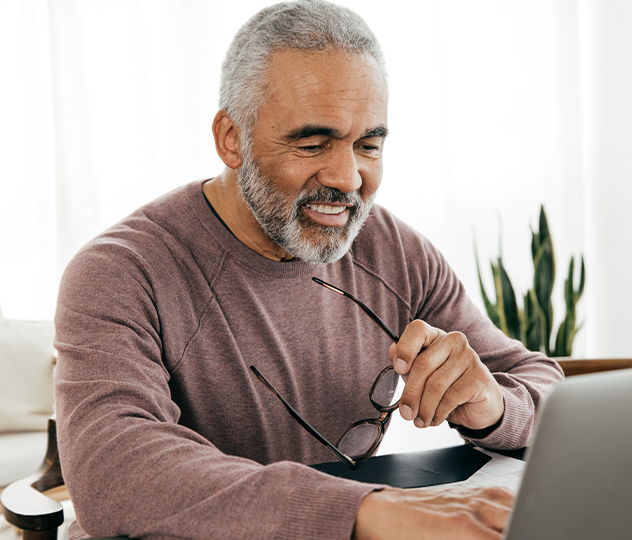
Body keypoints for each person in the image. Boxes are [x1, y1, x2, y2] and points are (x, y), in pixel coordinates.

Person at [52, 1, 564, 539]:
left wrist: (492, 404)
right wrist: (366, 512)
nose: (347, 178)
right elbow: (114, 473)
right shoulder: (119, 271)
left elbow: (543, 388)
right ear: (232, 138)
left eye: (368, 145)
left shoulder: (395, 250)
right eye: (312, 143)